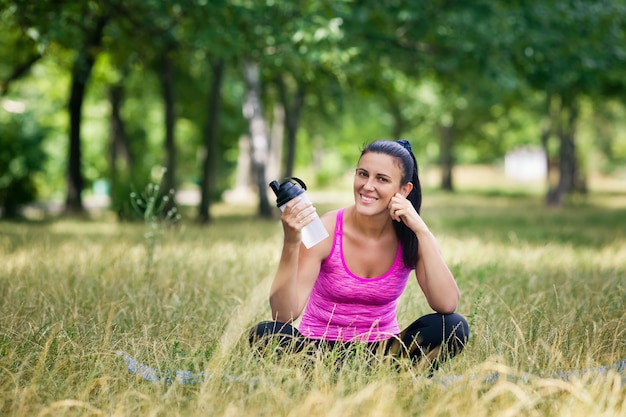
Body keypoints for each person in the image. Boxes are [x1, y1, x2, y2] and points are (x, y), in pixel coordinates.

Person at [249, 139, 469, 370]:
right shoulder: (326, 229)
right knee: (266, 333)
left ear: (404, 190)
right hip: (317, 351)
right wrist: (291, 242)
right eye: (362, 174)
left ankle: (359, 375)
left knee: (454, 326)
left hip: (383, 352)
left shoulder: (411, 236)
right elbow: (283, 315)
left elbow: (446, 304)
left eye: (381, 179)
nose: (367, 186)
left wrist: (422, 231)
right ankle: (354, 376)